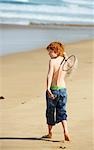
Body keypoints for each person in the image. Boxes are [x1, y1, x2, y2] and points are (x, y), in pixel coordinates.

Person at [43, 41, 70, 141]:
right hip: (63, 90)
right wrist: (65, 56)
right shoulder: (64, 61)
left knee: (50, 112)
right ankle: (66, 131)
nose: (48, 54)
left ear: (56, 51)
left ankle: (50, 133)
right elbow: (69, 67)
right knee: (62, 111)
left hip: (53, 90)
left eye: (50, 52)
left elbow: (50, 75)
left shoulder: (52, 62)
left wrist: (48, 88)